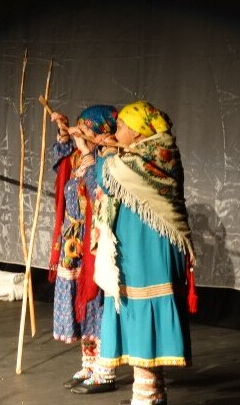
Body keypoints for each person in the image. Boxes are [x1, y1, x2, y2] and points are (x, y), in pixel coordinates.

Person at [93, 100, 196, 405]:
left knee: (144, 310)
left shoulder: (155, 154)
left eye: (122, 126)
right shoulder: (138, 154)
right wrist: (113, 151)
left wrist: (109, 154)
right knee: (137, 312)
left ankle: (148, 395)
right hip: (139, 246)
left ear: (139, 132)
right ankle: (151, 393)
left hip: (152, 247)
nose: (117, 130)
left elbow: (108, 178)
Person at [48, 104, 119, 395]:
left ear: (101, 131)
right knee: (80, 303)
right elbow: (60, 165)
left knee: (96, 304)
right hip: (74, 240)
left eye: (85, 128)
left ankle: (105, 370)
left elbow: (96, 189)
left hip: (96, 243)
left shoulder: (109, 159)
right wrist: (64, 138)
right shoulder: (80, 156)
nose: (81, 133)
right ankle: (88, 364)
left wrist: (86, 151)